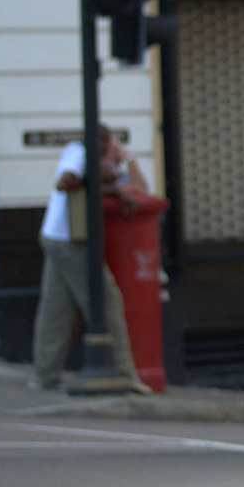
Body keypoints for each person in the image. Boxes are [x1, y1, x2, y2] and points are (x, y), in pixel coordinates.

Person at [30, 125, 151, 393]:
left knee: (56, 309)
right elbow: (65, 182)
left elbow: (140, 187)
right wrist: (108, 187)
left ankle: (44, 375)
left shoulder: (104, 168)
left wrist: (127, 159)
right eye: (108, 146)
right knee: (107, 301)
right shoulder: (78, 153)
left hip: (55, 236)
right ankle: (124, 373)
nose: (111, 152)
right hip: (70, 240)